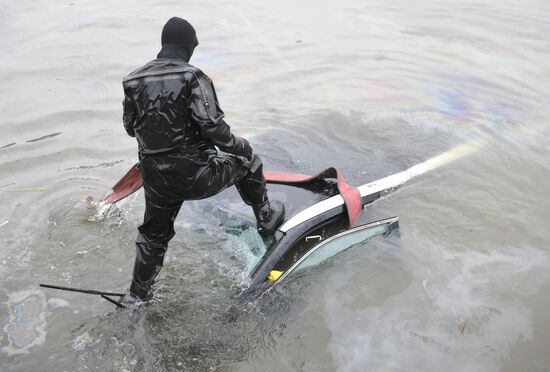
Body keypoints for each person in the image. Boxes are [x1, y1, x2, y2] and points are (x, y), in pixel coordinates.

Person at [121, 17, 285, 301]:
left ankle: (137, 295)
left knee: (153, 237)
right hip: (196, 174)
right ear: (189, 46)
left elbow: (129, 127)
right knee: (249, 162)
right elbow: (212, 127)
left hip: (156, 179)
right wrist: (240, 146)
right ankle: (266, 218)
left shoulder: (133, 80)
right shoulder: (193, 77)